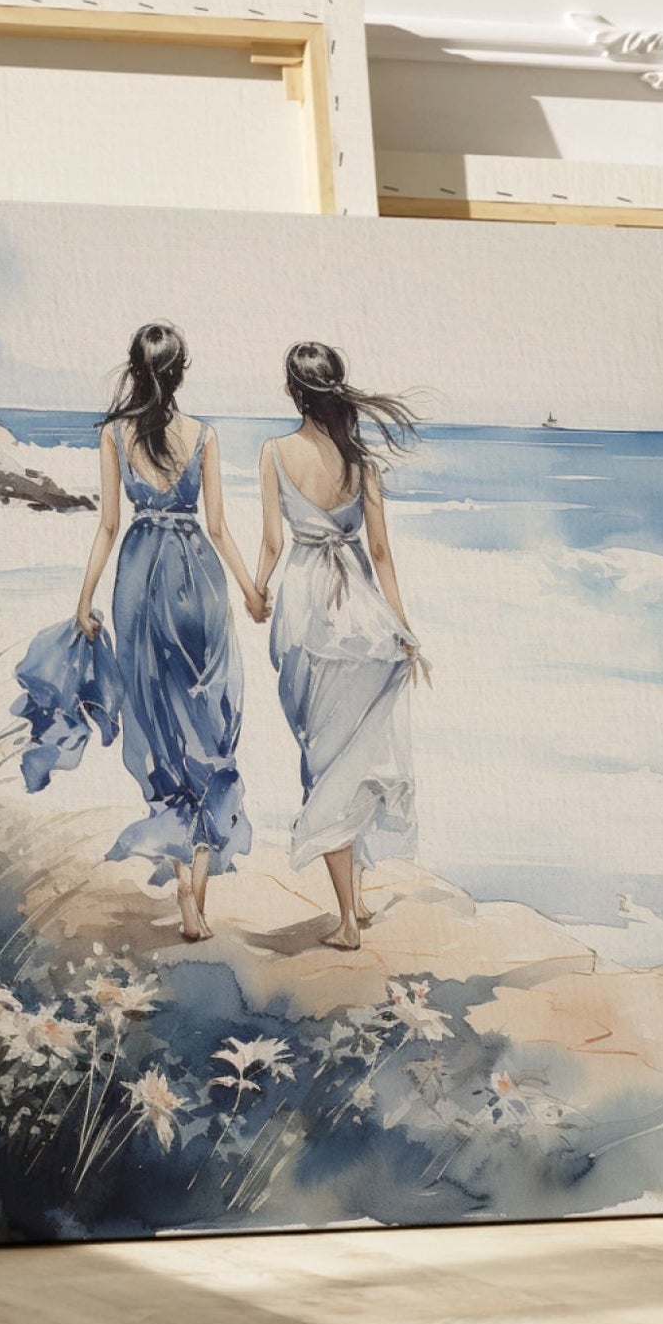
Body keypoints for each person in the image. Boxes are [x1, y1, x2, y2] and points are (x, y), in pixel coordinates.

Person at [17, 321, 263, 943]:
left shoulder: (114, 435)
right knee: (206, 725)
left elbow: (106, 525)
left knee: (159, 729)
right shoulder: (204, 435)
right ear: (182, 373)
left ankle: (184, 886)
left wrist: (84, 600)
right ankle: (197, 891)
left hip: (137, 577)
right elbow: (220, 527)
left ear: (134, 368)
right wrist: (251, 589)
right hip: (198, 582)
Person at [254, 341, 426, 951]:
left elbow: (273, 544)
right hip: (361, 615)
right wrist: (403, 629)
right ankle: (356, 904)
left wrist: (255, 590)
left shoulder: (274, 453)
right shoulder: (361, 463)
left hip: (306, 613)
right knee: (352, 757)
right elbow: (380, 554)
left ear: (291, 391)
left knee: (322, 759)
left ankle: (349, 920)